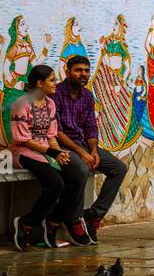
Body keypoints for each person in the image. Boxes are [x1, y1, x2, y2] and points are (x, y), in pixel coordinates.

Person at [10, 64, 91, 251]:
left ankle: (54, 220)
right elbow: (23, 139)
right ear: (40, 83)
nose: (56, 84)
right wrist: (52, 153)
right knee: (56, 183)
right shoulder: (21, 104)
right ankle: (27, 223)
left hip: (47, 151)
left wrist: (59, 153)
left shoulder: (50, 104)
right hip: (25, 152)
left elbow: (52, 135)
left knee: (78, 175)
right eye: (52, 80)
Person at [54, 55, 128, 242]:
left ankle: (94, 214)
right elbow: (56, 131)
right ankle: (74, 219)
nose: (83, 74)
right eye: (79, 70)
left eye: (86, 71)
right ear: (67, 71)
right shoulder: (55, 94)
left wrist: (93, 150)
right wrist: (82, 153)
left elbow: (91, 127)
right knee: (81, 168)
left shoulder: (87, 95)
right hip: (62, 146)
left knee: (119, 168)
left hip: (85, 145)